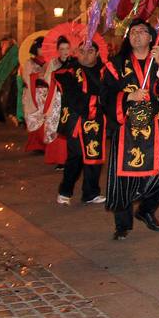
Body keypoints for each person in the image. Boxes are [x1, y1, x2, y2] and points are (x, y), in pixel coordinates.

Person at [102, 20, 159, 239]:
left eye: (142, 32)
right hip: (126, 129)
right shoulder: (116, 64)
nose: (136, 35)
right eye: (132, 32)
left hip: (154, 128)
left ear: (151, 37)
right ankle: (122, 225)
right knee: (123, 178)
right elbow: (105, 95)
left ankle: (145, 210)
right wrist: (128, 96)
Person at [54, 39, 107, 206]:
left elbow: (112, 93)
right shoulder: (68, 71)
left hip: (97, 121)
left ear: (97, 53)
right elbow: (72, 97)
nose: (85, 55)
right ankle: (65, 191)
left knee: (94, 156)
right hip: (77, 120)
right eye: (82, 51)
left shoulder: (106, 71)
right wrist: (98, 100)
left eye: (90, 51)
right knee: (76, 157)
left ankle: (91, 193)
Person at [43, 37, 73, 168]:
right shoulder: (53, 63)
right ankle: (58, 158)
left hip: (71, 99)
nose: (65, 51)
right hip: (57, 98)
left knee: (70, 127)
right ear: (58, 50)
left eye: (67, 48)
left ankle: (70, 158)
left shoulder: (75, 62)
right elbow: (48, 80)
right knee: (56, 126)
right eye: (62, 49)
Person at [22, 38, 52, 152]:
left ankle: (46, 143)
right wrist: (37, 76)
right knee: (34, 118)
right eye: (40, 47)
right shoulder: (29, 62)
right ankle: (36, 145)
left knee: (46, 118)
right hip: (33, 94)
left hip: (47, 94)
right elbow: (26, 77)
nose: (42, 50)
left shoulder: (50, 62)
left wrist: (45, 76)